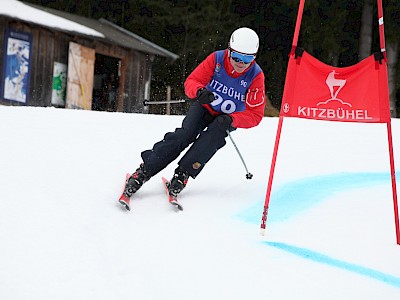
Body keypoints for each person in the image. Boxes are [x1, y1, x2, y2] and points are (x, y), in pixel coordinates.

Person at [119, 27, 266, 210]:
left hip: (225, 119)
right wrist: (199, 92)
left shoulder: (255, 76)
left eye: (247, 59)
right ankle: (144, 171)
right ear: (229, 50)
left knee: (210, 140)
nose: (241, 64)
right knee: (185, 135)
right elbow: (192, 81)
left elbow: (255, 114)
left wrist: (233, 120)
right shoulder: (217, 59)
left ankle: (183, 174)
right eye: (237, 57)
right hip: (205, 107)